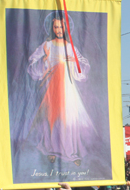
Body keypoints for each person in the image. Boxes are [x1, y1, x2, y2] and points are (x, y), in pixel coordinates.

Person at [27, 11, 93, 166]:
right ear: (52, 28)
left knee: (68, 119)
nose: (58, 30)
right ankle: (51, 149)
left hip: (68, 90)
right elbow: (32, 66)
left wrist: (73, 62)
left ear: (65, 29)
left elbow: (84, 65)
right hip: (52, 90)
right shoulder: (46, 46)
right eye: (55, 27)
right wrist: (44, 58)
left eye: (61, 27)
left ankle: (71, 152)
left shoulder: (70, 47)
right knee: (52, 118)